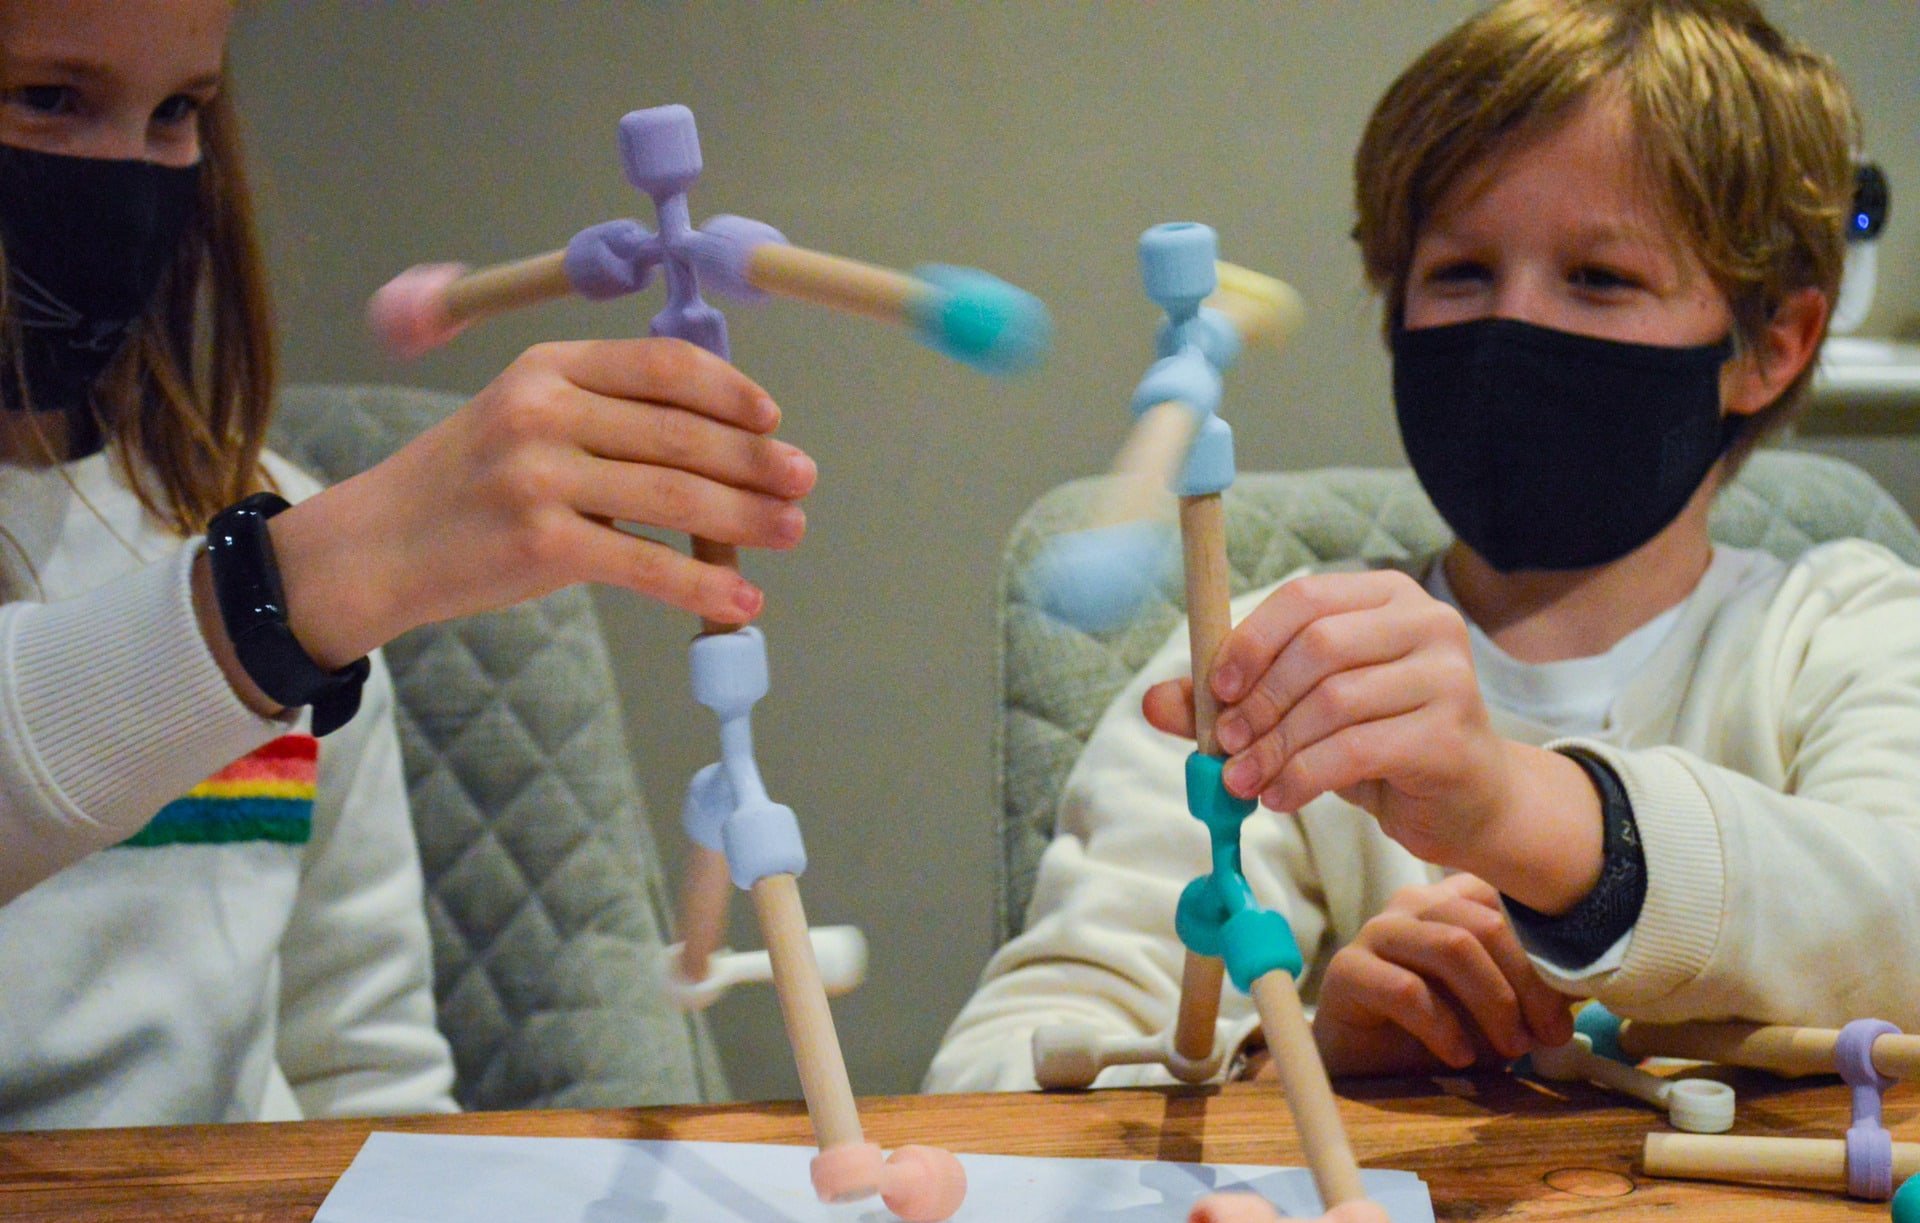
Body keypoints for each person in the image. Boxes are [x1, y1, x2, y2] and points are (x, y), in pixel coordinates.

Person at [928, 0, 1918, 1092]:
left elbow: (1896, 906)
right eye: (1458, 273)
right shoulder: (1270, 665)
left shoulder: (1853, 629)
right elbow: (994, 1076)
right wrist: (1296, 1059)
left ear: (1773, 342)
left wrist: (1532, 819)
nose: (1509, 329)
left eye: (1599, 277)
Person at [0, 0, 817, 1128]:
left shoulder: (249, 506)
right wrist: (294, 585)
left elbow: (361, 1062)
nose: (124, 180)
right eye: (47, 98)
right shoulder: (293, 555)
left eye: (178, 110)